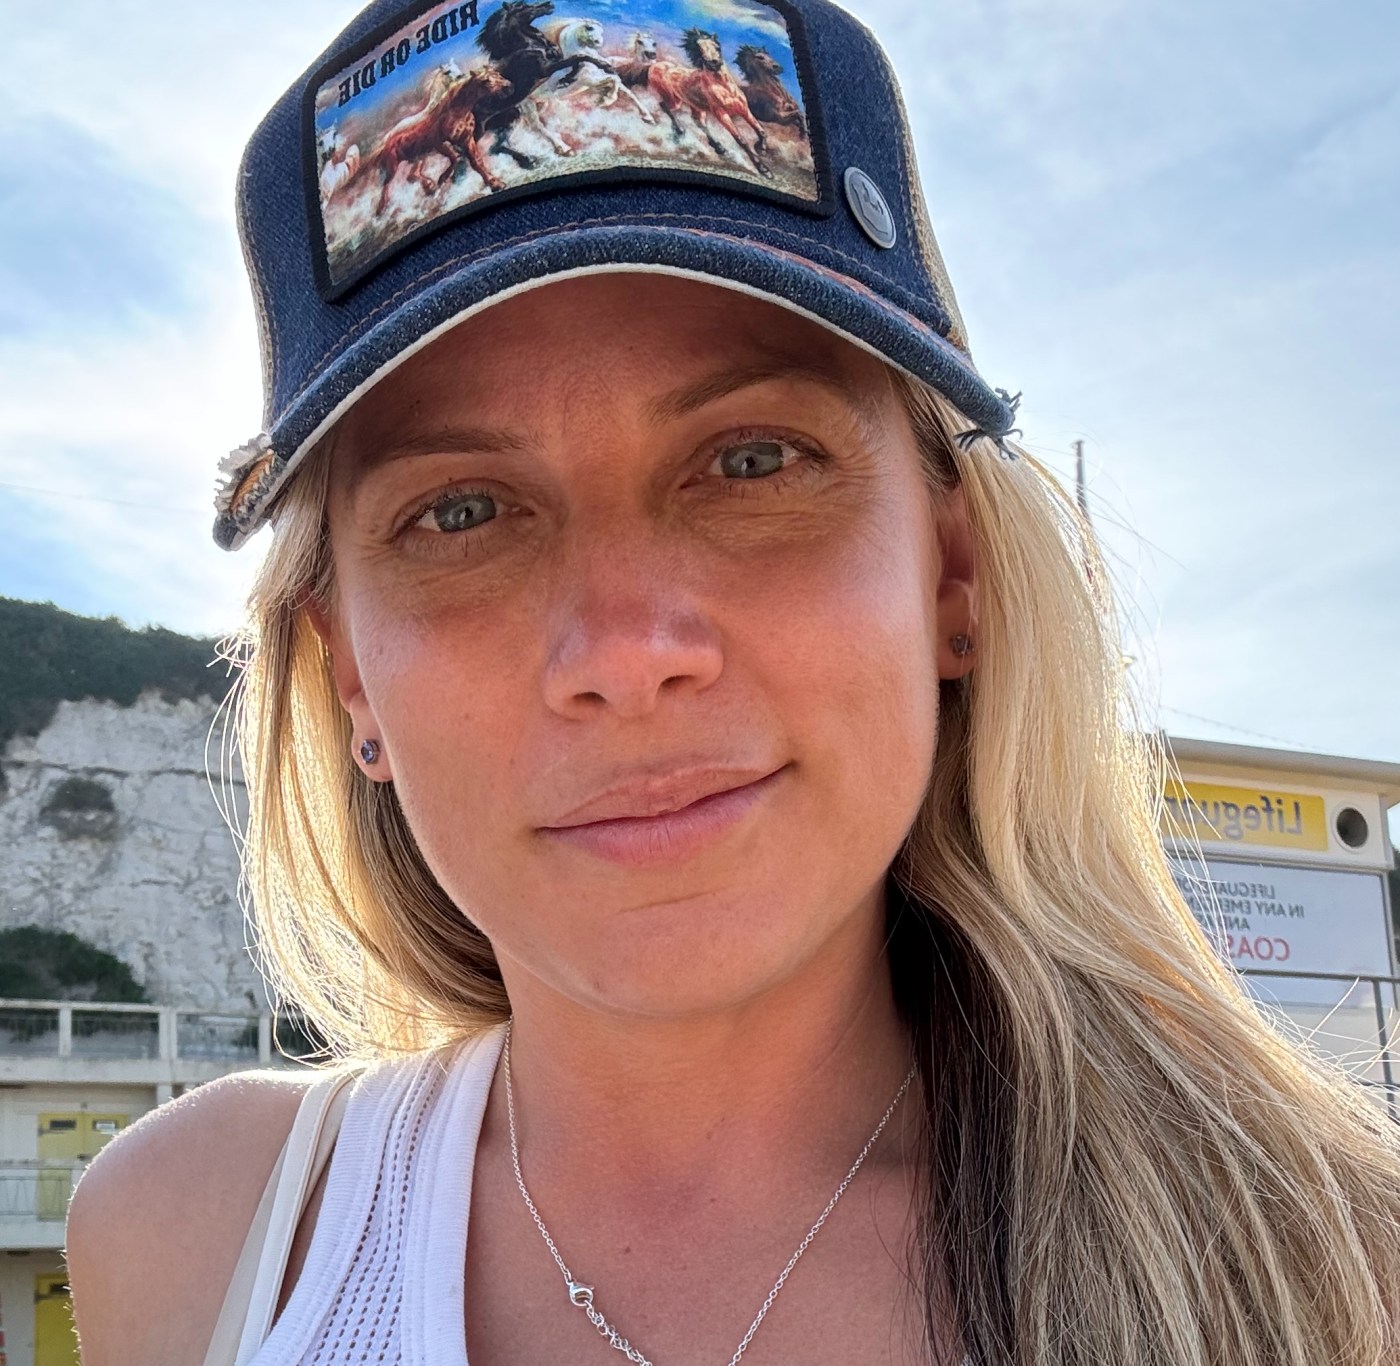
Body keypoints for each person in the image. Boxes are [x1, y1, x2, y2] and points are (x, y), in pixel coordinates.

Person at [67, 0, 1400, 1362]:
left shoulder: (1335, 1273)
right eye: (461, 513)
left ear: (950, 575)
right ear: (350, 671)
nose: (625, 652)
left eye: (753, 460)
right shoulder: (203, 1244)